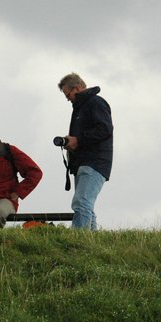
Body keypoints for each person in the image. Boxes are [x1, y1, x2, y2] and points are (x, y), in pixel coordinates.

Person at [57, 73, 113, 230]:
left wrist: (78, 140)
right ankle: (93, 245)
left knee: (81, 202)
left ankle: (78, 242)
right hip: (83, 163)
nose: (68, 99)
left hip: (95, 162)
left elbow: (105, 129)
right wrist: (72, 142)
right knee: (86, 205)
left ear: (77, 88)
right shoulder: (81, 107)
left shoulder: (95, 102)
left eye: (68, 94)